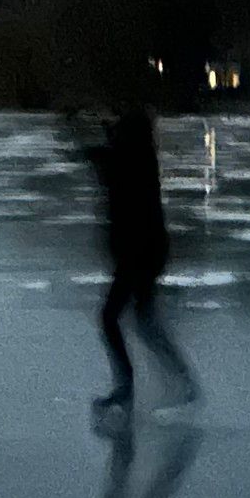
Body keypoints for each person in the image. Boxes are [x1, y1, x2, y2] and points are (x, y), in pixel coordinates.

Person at [85, 103, 194, 420]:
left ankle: (127, 389)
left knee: (111, 318)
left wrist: (87, 144)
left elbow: (110, 170)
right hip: (146, 250)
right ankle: (180, 381)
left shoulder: (131, 160)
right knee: (143, 320)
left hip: (139, 252)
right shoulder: (137, 155)